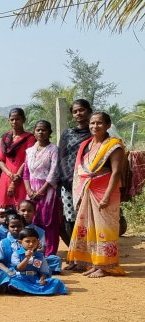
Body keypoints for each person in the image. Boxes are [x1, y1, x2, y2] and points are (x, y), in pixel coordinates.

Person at [68, 112, 126, 278]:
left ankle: (106, 266)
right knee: (89, 228)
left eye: (99, 123)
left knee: (104, 229)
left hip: (105, 192)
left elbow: (116, 173)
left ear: (108, 125)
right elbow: (81, 170)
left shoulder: (114, 145)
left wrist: (107, 196)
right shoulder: (87, 144)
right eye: (92, 123)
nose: (95, 126)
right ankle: (94, 263)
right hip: (88, 191)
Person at [58, 99, 94, 244]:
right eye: (75, 111)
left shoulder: (96, 133)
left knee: (89, 218)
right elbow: (61, 157)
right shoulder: (68, 133)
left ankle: (91, 252)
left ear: (89, 111)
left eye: (81, 110)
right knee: (71, 218)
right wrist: (68, 179)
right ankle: (75, 251)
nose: (78, 113)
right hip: (68, 183)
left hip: (90, 183)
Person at [23, 120, 61, 256]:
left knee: (48, 221)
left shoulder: (53, 149)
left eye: (44, 130)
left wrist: (42, 190)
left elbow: (54, 170)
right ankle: (35, 252)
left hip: (48, 189)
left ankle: (49, 254)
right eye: (38, 130)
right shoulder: (29, 151)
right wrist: (28, 190)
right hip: (31, 189)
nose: (41, 132)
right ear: (34, 132)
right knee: (32, 220)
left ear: (50, 132)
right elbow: (26, 172)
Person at [9, 228, 69, 295]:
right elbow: (19, 268)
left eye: (34, 241)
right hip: (21, 278)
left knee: (56, 281)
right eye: (27, 241)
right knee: (13, 282)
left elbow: (44, 271)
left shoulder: (40, 256)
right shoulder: (16, 254)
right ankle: (36, 290)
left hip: (35, 279)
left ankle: (28, 291)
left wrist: (42, 279)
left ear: (38, 242)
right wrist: (27, 258)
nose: (31, 244)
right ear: (20, 242)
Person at [0, 108, 35, 208]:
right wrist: (10, 174)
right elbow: (1, 160)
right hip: (6, 177)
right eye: (12, 119)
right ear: (8, 120)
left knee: (21, 208)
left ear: (24, 120)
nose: (14, 122)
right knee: (4, 211)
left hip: (22, 177)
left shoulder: (29, 138)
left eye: (18, 119)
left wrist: (16, 178)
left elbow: (28, 160)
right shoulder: (5, 138)